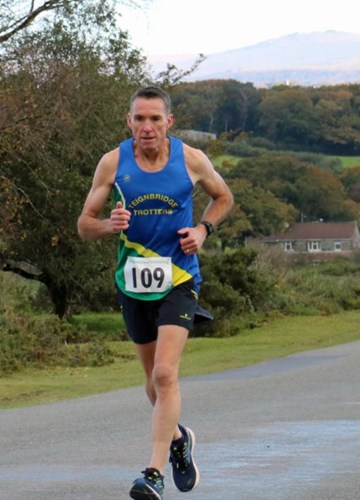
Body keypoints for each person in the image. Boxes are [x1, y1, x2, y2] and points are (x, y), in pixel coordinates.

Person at [77, 86, 233, 499]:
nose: (147, 127)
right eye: (140, 119)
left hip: (179, 279)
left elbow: (223, 197)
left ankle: (153, 472)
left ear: (169, 122)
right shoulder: (113, 164)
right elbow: (84, 224)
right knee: (152, 383)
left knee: (166, 373)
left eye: (155, 119)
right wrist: (107, 225)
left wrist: (203, 229)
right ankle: (179, 438)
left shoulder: (191, 160)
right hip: (133, 281)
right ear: (129, 122)